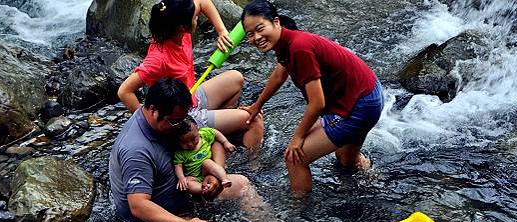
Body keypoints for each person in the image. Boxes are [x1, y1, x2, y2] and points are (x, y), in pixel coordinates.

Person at [240, 0, 384, 195]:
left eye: (260, 29)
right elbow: (279, 74)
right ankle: (376, 183)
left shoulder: (299, 48)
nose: (256, 37)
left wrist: (297, 138)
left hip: (359, 103)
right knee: (346, 160)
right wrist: (257, 105)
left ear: (276, 22)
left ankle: (299, 217)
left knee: (294, 158)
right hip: (367, 92)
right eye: (250, 34)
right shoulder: (287, 42)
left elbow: (317, 103)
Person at [109, 78, 252, 222]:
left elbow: (212, 140)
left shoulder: (175, 120)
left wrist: (214, 175)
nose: (180, 125)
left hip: (188, 191)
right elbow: (138, 206)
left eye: (183, 118)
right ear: (153, 111)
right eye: (175, 121)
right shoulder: (136, 150)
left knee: (242, 184)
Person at [118, 0, 264, 150]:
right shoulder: (158, 59)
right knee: (253, 120)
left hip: (192, 96)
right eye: (194, 18)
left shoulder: (176, 28)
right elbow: (124, 91)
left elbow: (202, 1)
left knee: (236, 78)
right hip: (184, 117)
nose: (196, 18)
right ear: (182, 26)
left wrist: (221, 30)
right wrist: (153, 126)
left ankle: (212, 138)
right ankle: (253, 166)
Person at [173, 119, 236, 193]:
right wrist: (181, 178)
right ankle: (204, 189)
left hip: (207, 169)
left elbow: (215, 132)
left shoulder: (204, 134)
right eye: (184, 142)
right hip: (195, 177)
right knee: (186, 184)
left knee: (206, 162)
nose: (190, 144)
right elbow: (178, 166)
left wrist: (225, 142)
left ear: (197, 129)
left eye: (193, 139)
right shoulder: (180, 153)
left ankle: (224, 179)